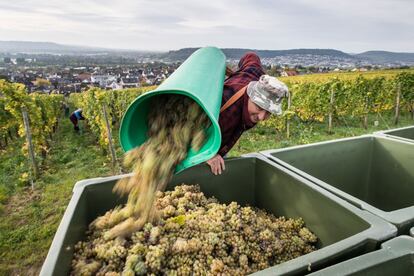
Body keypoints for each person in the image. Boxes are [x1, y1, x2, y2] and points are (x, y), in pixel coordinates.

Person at [206, 52, 289, 175]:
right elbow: (191, 127)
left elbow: (251, 57)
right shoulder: (227, 109)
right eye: (258, 106)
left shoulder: (258, 77)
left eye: (268, 112)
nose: (261, 117)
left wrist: (237, 71)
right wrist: (209, 153)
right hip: (203, 138)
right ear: (250, 95)